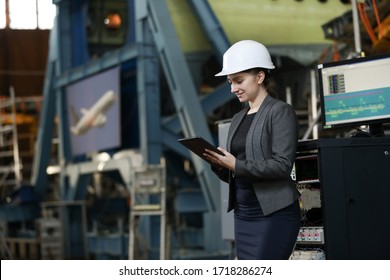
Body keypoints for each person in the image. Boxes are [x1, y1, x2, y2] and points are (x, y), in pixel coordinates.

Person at [204, 40, 301, 260]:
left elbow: (282, 166)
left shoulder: (280, 112)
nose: (233, 88)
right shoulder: (238, 118)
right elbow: (237, 174)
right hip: (244, 214)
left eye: (239, 81)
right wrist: (219, 164)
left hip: (274, 215)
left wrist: (235, 164)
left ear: (260, 77)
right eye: (230, 82)